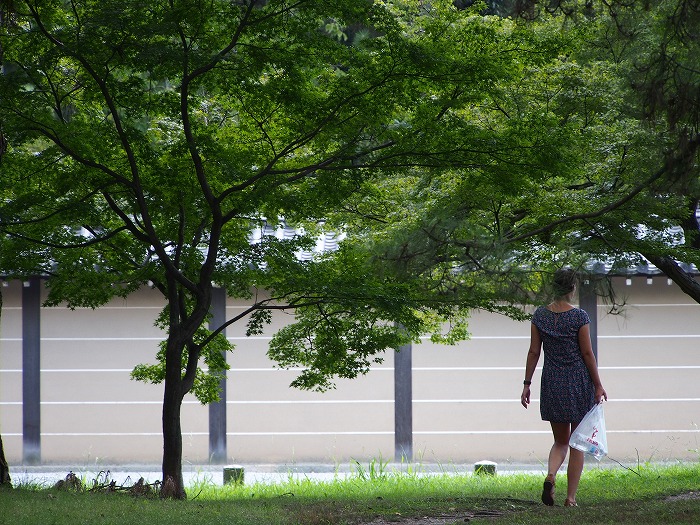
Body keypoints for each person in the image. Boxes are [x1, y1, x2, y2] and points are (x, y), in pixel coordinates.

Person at [521, 268, 607, 507]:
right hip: (578, 383)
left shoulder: (540, 315)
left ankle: (551, 475)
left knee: (560, 441)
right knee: (577, 442)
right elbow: (588, 353)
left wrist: (526, 384)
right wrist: (598, 385)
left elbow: (533, 352)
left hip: (552, 383)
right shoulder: (580, 316)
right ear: (572, 288)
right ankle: (570, 498)